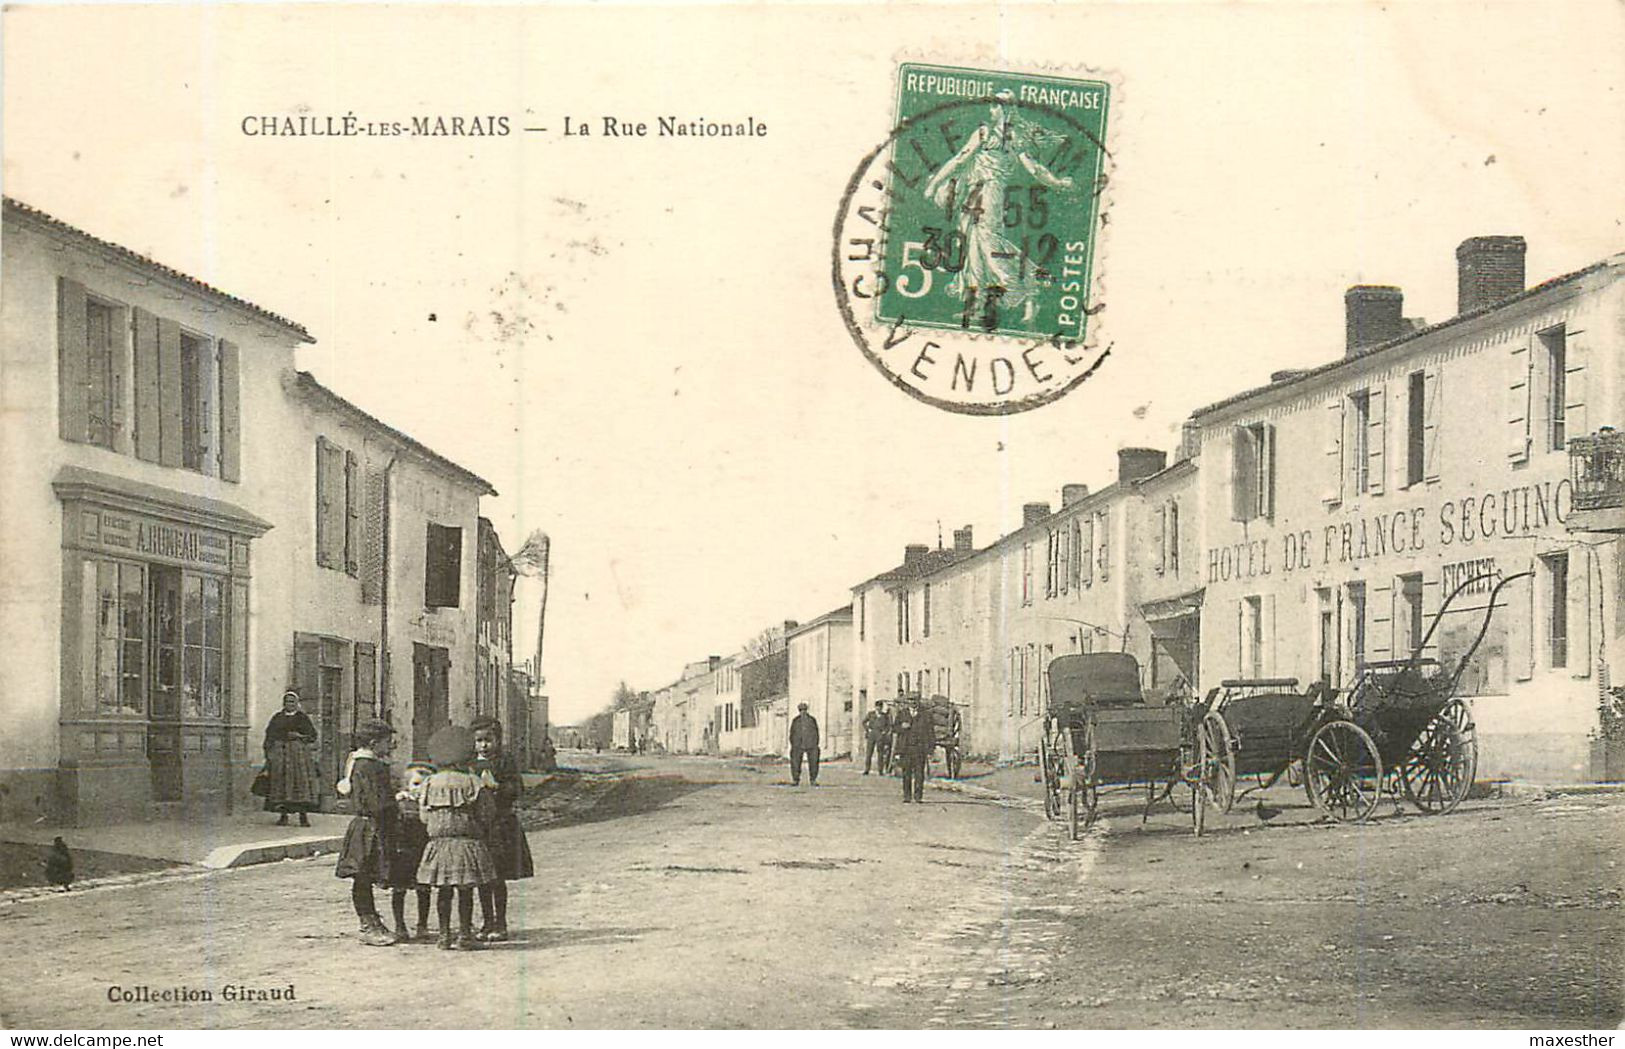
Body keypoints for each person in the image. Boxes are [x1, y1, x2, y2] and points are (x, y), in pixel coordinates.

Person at [920, 89, 1076, 327]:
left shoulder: (992, 134)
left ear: (1004, 109)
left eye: (994, 106)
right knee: (973, 247)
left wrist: (934, 184)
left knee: (987, 242)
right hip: (976, 194)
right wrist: (1057, 182)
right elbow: (1034, 168)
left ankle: (1023, 283)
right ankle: (977, 304)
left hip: (988, 194)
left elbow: (960, 159)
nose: (991, 111)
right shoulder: (1009, 137)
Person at [416, 726, 498, 950]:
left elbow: (424, 817)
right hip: (466, 843)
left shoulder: (428, 783)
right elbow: (487, 814)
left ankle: (444, 936)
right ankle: (465, 935)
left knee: (443, 890)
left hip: (439, 844)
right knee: (465, 891)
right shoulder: (472, 782)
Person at [332, 718, 399, 947]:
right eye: (387, 742)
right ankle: (368, 924)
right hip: (369, 827)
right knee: (362, 877)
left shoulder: (366, 763)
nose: (391, 746)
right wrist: (395, 802)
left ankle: (370, 920)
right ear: (373, 743)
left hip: (369, 825)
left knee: (365, 876)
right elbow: (375, 801)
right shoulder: (368, 767)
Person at [471, 716, 534, 942]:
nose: (484, 745)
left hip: (501, 825)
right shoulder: (469, 763)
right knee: (481, 877)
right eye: (479, 741)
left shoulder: (505, 761)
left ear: (497, 740)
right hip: (478, 827)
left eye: (488, 740)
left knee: (497, 876)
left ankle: (500, 922)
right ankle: (486, 921)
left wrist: (496, 786)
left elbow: (517, 789)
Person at [388, 762, 435, 943]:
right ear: (406, 785)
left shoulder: (431, 804)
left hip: (423, 851)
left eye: (425, 784)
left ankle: (422, 925)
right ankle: (400, 925)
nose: (420, 788)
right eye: (416, 784)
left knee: (423, 889)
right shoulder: (400, 804)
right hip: (402, 852)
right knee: (399, 889)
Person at [262, 691, 321, 826]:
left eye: (292, 702)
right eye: (287, 702)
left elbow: (312, 735)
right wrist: (269, 753)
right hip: (281, 756)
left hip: (298, 756)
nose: (289, 704)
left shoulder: (302, 718)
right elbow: (269, 735)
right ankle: (283, 816)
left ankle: (303, 816)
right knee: (282, 785)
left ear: (297, 703)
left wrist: (299, 736)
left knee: (299, 784)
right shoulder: (277, 718)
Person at [894, 695, 934, 804]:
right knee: (906, 773)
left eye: (915, 700)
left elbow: (930, 733)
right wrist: (902, 726)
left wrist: (930, 750)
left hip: (919, 749)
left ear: (918, 701)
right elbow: (894, 728)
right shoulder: (902, 713)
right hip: (905, 748)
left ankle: (918, 796)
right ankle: (907, 796)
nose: (913, 702)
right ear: (907, 702)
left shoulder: (925, 714)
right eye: (910, 700)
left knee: (919, 773)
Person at [788, 702, 820, 787]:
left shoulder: (812, 720)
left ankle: (813, 780)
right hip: (798, 745)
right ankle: (795, 779)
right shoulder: (795, 721)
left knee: (813, 762)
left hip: (811, 744)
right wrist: (794, 743)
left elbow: (816, 732)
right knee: (795, 762)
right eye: (801, 710)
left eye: (804, 710)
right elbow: (792, 733)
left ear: (807, 710)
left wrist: (815, 743)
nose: (803, 712)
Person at [861, 700, 892, 775]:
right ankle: (867, 769)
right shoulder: (871, 714)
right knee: (869, 753)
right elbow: (864, 722)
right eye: (877, 707)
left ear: (881, 708)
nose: (878, 708)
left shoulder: (884, 716)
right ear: (875, 707)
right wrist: (868, 729)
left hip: (880, 735)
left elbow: (888, 725)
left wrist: (885, 731)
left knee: (880, 753)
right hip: (871, 735)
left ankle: (880, 770)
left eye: (880, 707)